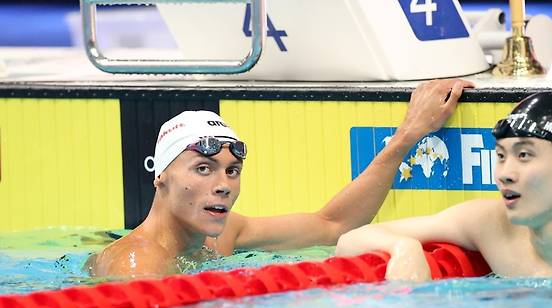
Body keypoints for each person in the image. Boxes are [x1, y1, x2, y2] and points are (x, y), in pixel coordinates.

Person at [86, 78, 475, 278]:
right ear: (161, 177)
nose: (222, 184)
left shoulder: (221, 236)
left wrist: (408, 135)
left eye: (232, 171)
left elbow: (333, 225)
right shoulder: (137, 264)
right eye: (203, 168)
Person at [336, 92, 552, 281]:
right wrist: (403, 248)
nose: (504, 173)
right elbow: (349, 240)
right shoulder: (491, 226)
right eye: (501, 156)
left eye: (524, 155)